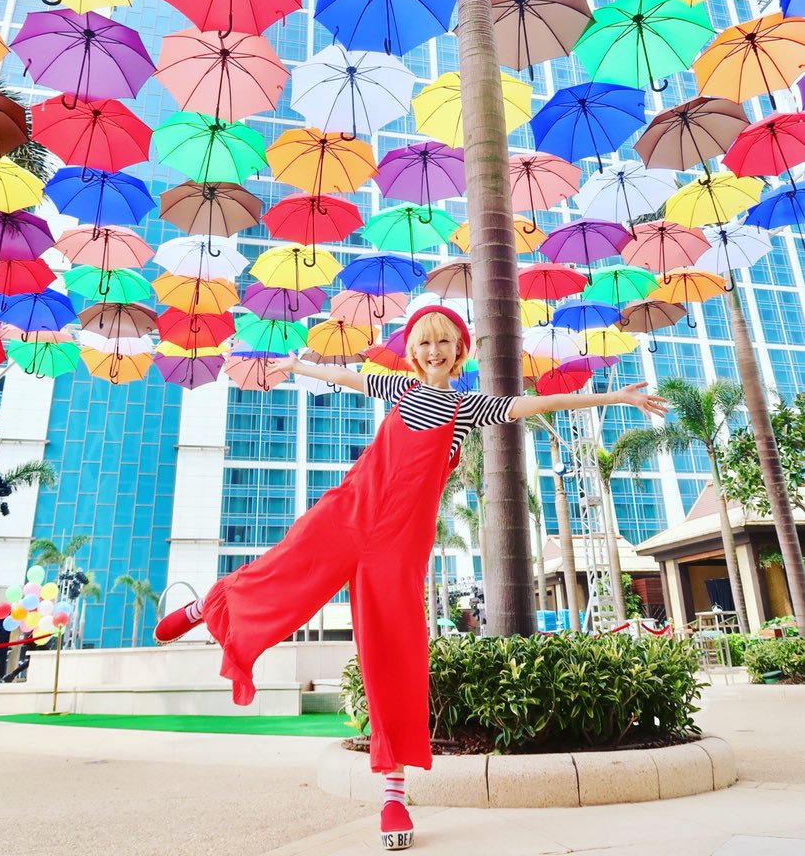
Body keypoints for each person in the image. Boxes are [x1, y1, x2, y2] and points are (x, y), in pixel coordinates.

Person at [155, 305, 668, 850]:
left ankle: (394, 793)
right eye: (424, 342)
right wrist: (297, 366)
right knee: (286, 568)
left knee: (394, 653)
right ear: (412, 351)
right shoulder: (397, 390)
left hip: (399, 544)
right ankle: (209, 607)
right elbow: (342, 374)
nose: (433, 351)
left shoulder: (469, 407)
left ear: (459, 350)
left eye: (444, 341)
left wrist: (616, 397)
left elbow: (537, 402)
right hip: (350, 512)